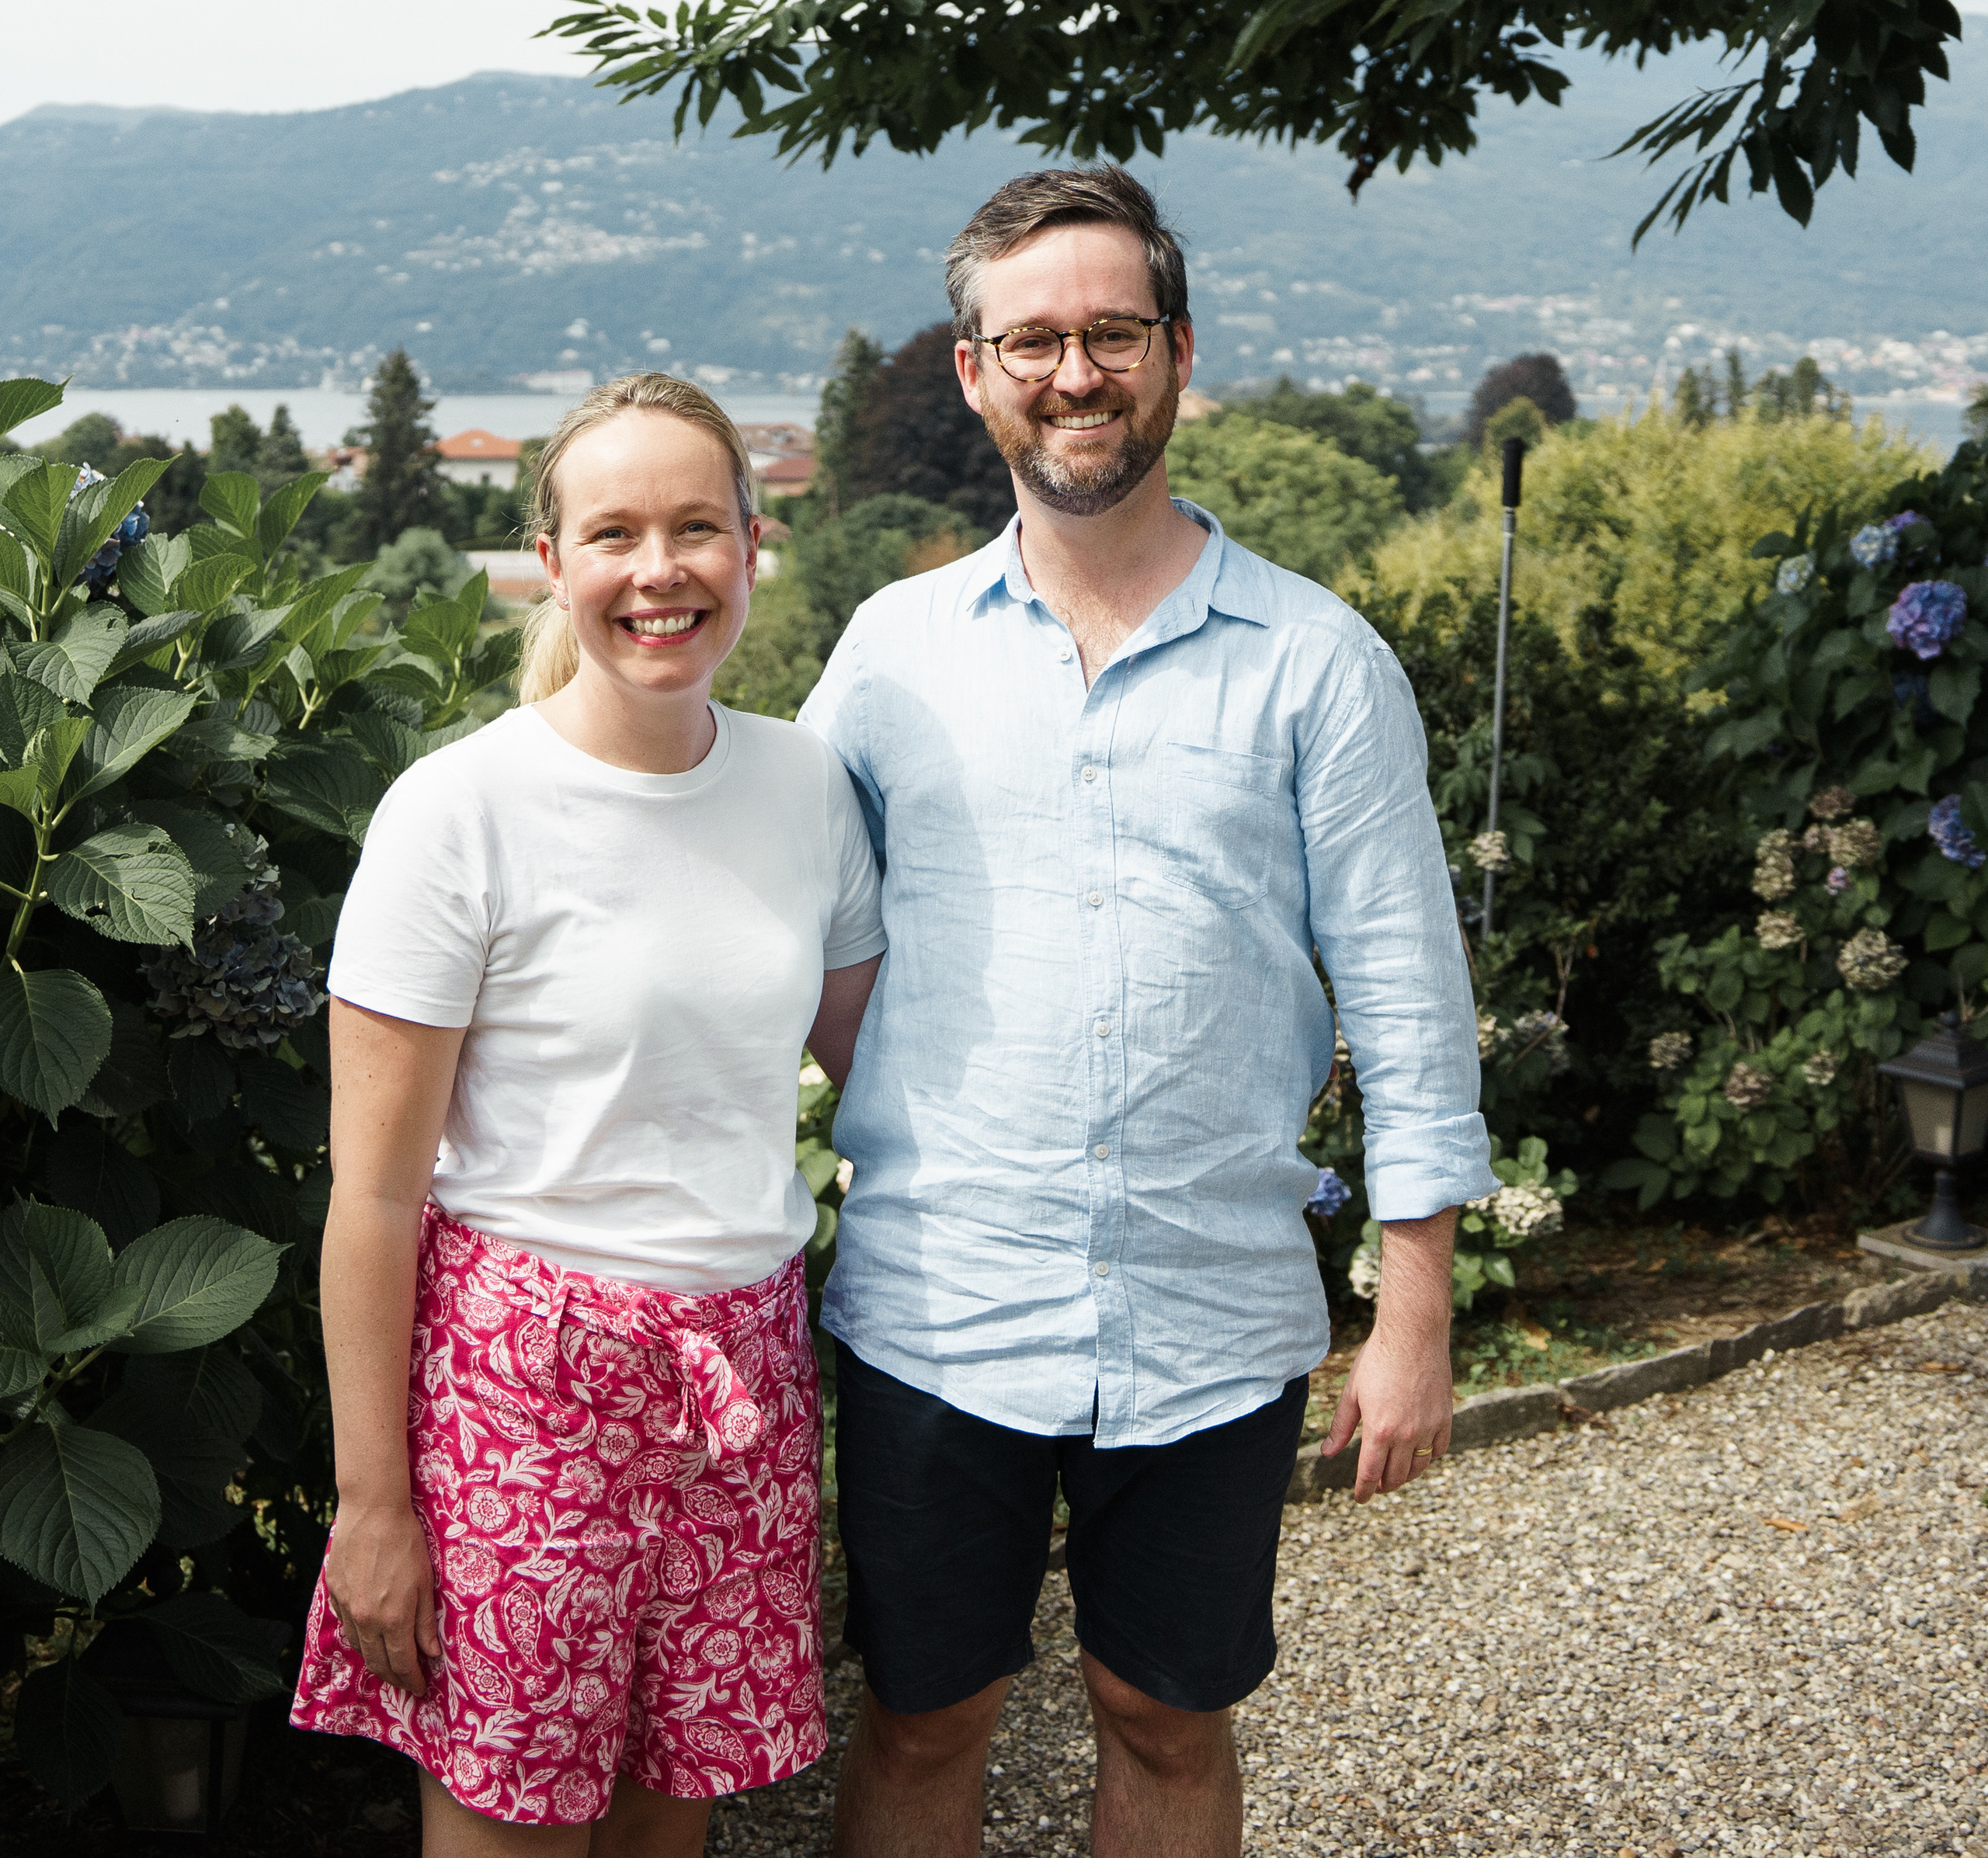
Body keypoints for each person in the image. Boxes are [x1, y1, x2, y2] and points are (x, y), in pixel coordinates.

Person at [796, 167, 1496, 1858]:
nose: (1075, 373)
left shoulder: (1318, 662)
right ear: (973, 372)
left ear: (1178, 351)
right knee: (921, 1712)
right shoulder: (889, 654)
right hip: (940, 1302)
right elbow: (790, 921)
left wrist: (1411, 1308)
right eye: (1031, 340)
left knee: (1165, 1717)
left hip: (1210, 1309)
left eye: (1112, 332)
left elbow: (1409, 999)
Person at [289, 374, 886, 1856]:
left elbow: (885, 1073)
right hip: (521, 1404)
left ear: (753, 544)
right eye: (614, 532)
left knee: (666, 1837)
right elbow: (373, 1197)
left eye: (696, 527)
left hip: (739, 1388)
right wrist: (373, 1503)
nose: (659, 569)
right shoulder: (459, 811)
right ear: (553, 562)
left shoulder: (808, 785)